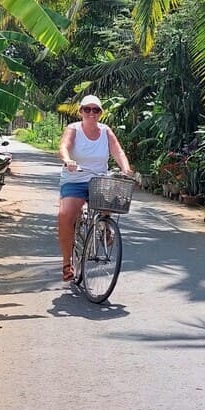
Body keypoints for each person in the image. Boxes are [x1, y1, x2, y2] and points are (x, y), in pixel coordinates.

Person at [57, 95, 132, 281]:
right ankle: (67, 263)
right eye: (87, 109)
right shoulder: (73, 129)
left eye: (95, 110)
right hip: (75, 180)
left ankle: (105, 226)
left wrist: (126, 168)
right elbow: (64, 146)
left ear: (100, 113)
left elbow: (118, 151)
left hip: (98, 180)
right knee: (65, 215)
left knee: (112, 197)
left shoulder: (106, 131)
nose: (91, 113)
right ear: (81, 111)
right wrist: (68, 160)